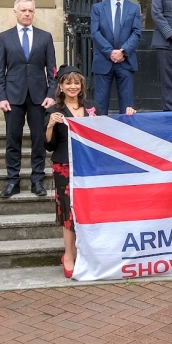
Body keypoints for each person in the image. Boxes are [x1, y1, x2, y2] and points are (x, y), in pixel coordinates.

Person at [45, 65, 135, 278]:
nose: (73, 86)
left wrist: (128, 116)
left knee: (89, 211)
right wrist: (49, 125)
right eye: (68, 83)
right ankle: (69, 255)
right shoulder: (54, 111)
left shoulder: (92, 107)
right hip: (65, 167)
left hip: (90, 167)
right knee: (68, 213)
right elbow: (48, 145)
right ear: (61, 86)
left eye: (76, 82)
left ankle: (88, 253)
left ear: (82, 85)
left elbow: (107, 132)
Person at [0, 0, 56, 198]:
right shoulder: (4, 37)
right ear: (16, 12)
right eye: (23, 10)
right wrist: (1, 96)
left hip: (39, 98)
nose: (27, 14)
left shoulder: (45, 37)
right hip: (13, 97)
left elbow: (52, 71)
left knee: (39, 139)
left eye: (30, 10)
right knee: (13, 140)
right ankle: (13, 181)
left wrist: (51, 94)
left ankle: (37, 180)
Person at [90, 0, 142, 114]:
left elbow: (137, 32)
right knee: (100, 104)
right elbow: (95, 33)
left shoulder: (134, 8)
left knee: (127, 106)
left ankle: (125, 134)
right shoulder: (98, 8)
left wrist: (123, 52)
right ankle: (100, 134)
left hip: (126, 61)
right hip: (103, 61)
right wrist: (110, 52)